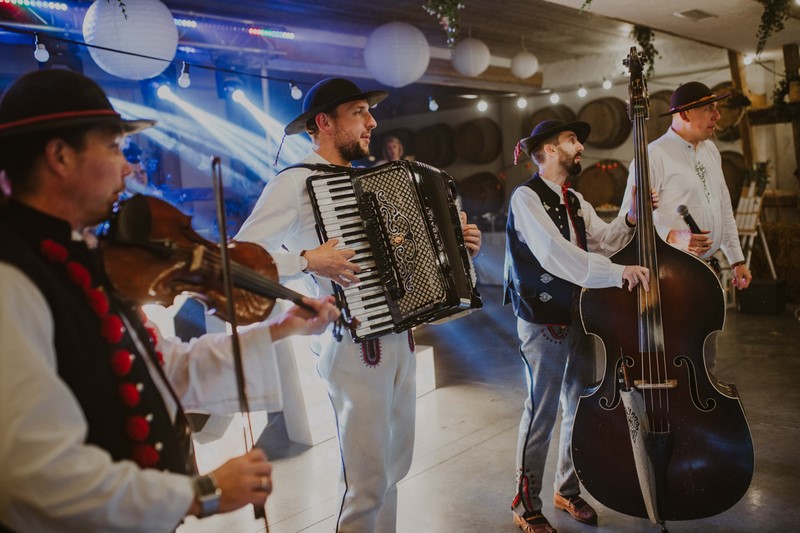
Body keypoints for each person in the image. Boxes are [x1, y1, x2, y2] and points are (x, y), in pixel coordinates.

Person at [0, 69, 340, 532]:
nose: (128, 166)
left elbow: (157, 366)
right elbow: (37, 473)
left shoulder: (80, 255)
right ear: (60, 156)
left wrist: (277, 330)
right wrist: (203, 493)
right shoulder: (12, 278)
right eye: (113, 147)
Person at [236, 77, 481, 532]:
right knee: (366, 481)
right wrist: (307, 259)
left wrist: (455, 245)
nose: (373, 122)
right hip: (352, 344)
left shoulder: (368, 181)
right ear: (323, 123)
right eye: (359, 113)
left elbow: (404, 254)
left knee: (395, 469)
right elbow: (240, 257)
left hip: (400, 335)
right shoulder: (294, 182)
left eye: (369, 112)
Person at [504, 120, 652, 533]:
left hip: (580, 316)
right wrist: (617, 273)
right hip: (542, 320)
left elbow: (605, 239)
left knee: (579, 405)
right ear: (549, 150)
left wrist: (633, 217)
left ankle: (565, 490)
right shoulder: (526, 198)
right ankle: (525, 503)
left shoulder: (575, 199)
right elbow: (555, 254)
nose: (581, 146)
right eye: (572, 140)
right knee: (542, 412)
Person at [617, 81, 752, 370]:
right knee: (677, 356)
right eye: (709, 108)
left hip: (707, 269)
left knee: (706, 356)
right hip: (671, 276)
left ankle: (702, 410)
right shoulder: (652, 155)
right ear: (685, 114)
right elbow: (627, 221)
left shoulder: (711, 150)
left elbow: (723, 206)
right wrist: (671, 236)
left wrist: (736, 258)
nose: (717, 115)